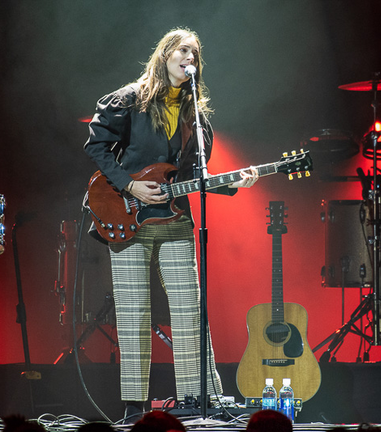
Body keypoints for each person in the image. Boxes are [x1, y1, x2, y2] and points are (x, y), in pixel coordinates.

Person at [84, 27, 259, 422]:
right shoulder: (130, 100)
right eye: (183, 51)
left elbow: (195, 176)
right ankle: (134, 407)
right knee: (133, 312)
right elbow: (95, 144)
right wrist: (129, 184)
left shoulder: (196, 118)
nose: (190, 59)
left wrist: (233, 183)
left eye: (195, 55)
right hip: (127, 218)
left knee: (189, 309)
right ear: (164, 55)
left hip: (176, 220)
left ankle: (201, 398)